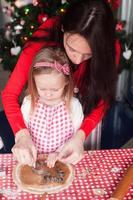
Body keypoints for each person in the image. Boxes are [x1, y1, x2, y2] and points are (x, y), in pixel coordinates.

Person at [1, 0, 119, 164]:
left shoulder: (110, 48)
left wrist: (80, 135)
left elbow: (103, 100)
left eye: (87, 55)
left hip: (85, 112)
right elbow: (10, 94)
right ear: (63, 29)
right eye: (72, 49)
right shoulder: (43, 38)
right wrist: (21, 134)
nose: (77, 60)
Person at [11, 46, 84, 167]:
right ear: (34, 82)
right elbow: (22, 137)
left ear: (66, 82)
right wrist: (26, 151)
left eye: (55, 89)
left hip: (62, 161)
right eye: (42, 89)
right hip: (33, 162)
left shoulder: (73, 106)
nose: (48, 94)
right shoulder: (29, 103)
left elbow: (75, 140)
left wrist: (59, 153)